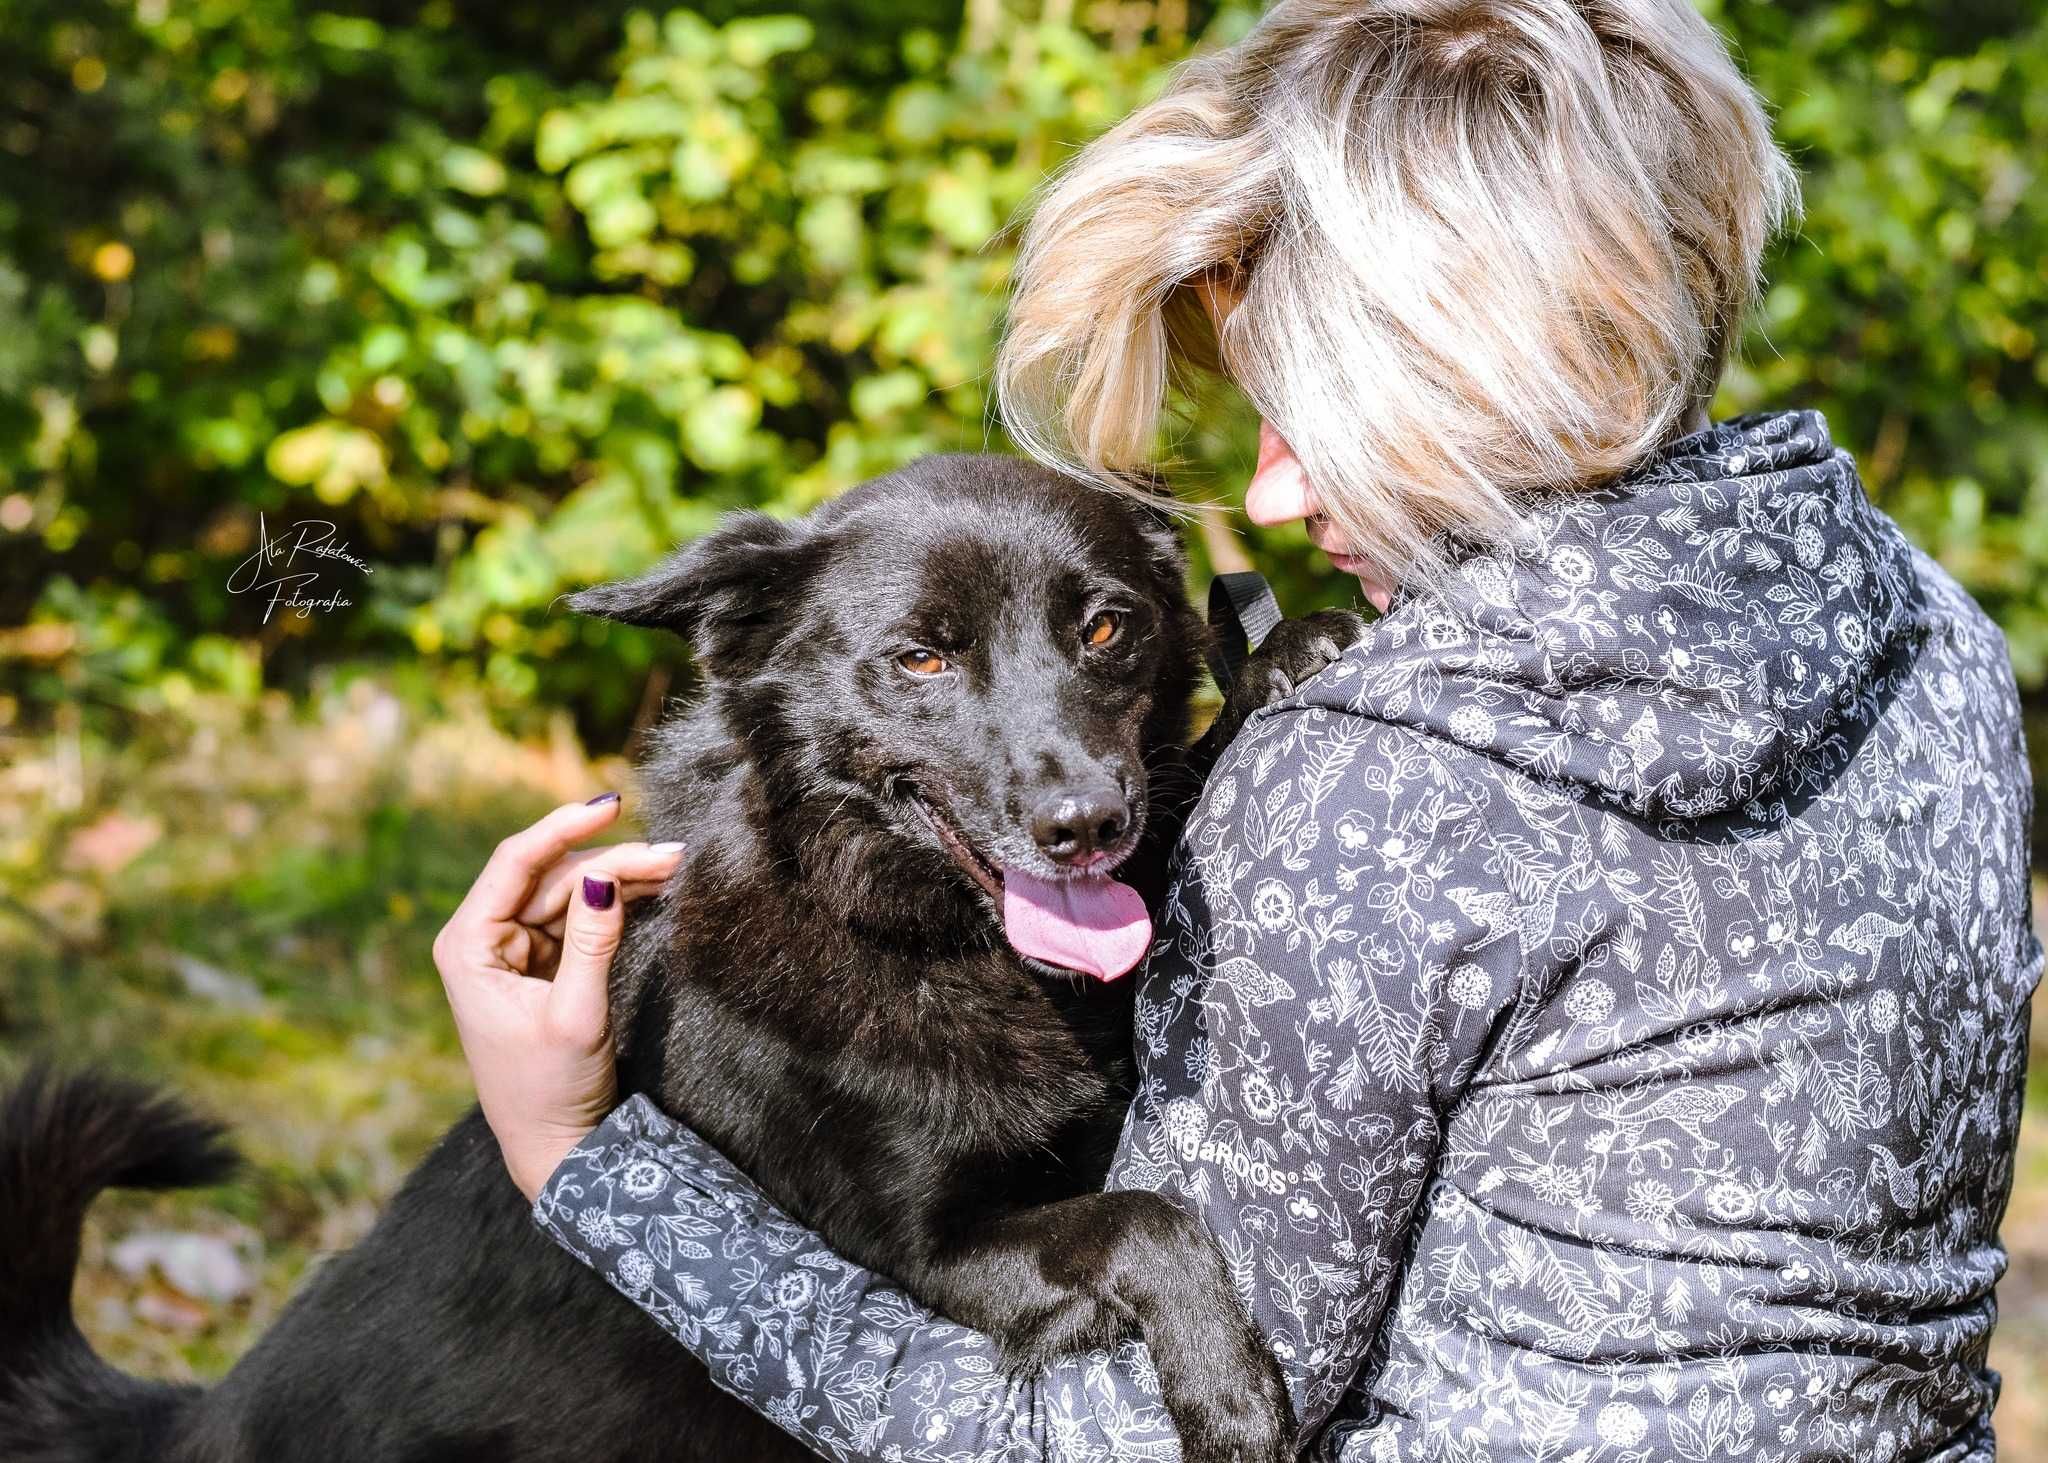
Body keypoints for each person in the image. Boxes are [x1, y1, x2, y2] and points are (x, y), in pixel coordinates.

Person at [435, 1, 2041, 1458]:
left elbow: (1105, 1442)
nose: (1265, 495)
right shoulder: (1936, 635)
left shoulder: (1385, 783)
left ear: (1475, 371)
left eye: (1314, 409)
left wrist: (580, 1163)